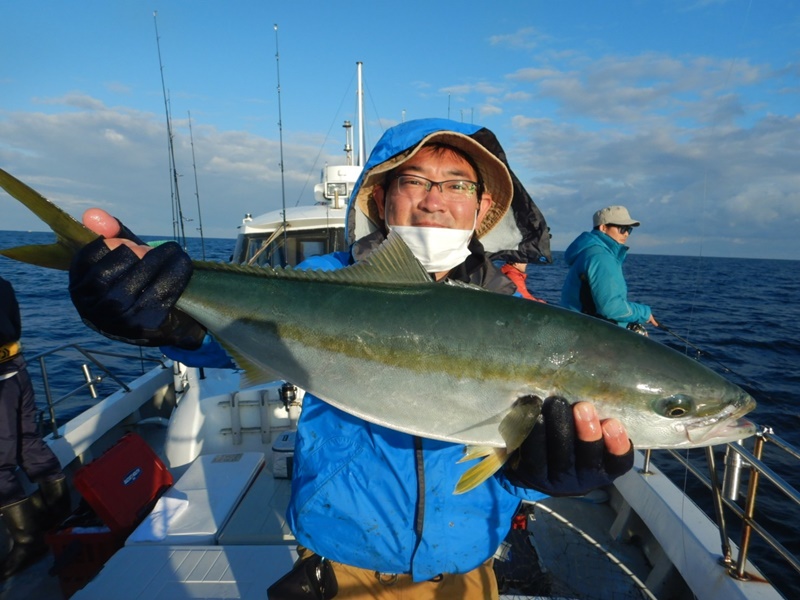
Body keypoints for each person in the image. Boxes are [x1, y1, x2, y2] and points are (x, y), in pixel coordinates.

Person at [67, 118, 634, 599]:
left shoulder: (519, 314)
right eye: (414, 180)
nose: (435, 199)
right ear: (382, 197)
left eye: (457, 184)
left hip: (469, 570)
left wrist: (545, 475)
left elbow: (526, 462)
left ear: (483, 207)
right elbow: (218, 334)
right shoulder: (322, 283)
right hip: (341, 567)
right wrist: (159, 306)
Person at [0, 276, 71, 580]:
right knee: (30, 442)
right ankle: (59, 514)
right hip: (17, 368)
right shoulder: (3, 283)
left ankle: (28, 542)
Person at [561, 205, 658, 331]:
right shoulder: (601, 257)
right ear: (603, 228)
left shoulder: (590, 251)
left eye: (629, 229)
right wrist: (644, 313)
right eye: (622, 229)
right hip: (586, 332)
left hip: (575, 327)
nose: (627, 233)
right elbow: (610, 308)